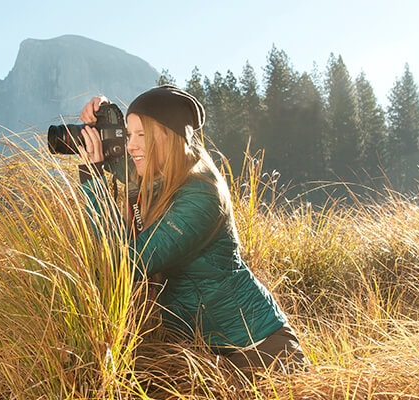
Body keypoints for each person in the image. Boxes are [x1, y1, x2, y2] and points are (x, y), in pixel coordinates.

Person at [74, 85, 305, 374]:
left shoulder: (202, 195)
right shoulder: (162, 175)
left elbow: (126, 264)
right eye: (129, 135)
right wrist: (105, 117)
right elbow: (121, 160)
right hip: (209, 356)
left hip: (261, 352)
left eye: (141, 135)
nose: (131, 146)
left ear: (168, 138)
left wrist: (91, 177)